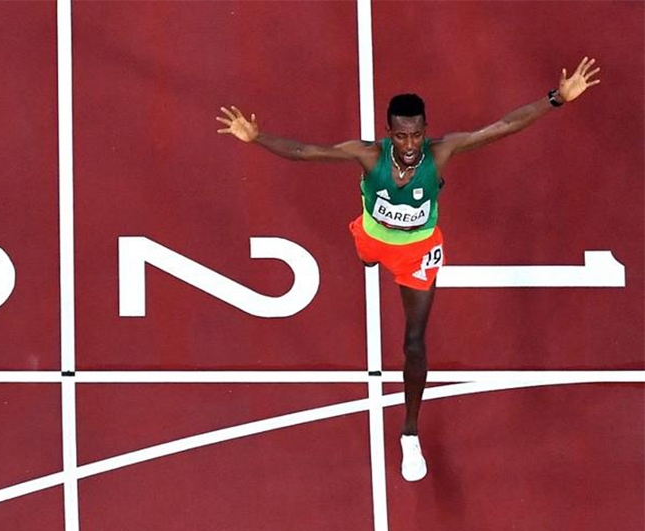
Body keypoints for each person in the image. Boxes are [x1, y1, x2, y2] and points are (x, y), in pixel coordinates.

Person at [216, 57, 601, 482]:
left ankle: (409, 433)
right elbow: (306, 153)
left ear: (425, 128)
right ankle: (368, 256)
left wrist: (557, 99)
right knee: (365, 257)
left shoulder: (441, 151)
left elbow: (502, 127)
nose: (411, 143)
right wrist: (257, 139)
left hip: (418, 252)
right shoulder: (368, 155)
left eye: (417, 133)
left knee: (415, 341)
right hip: (372, 236)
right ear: (389, 134)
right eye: (401, 135)